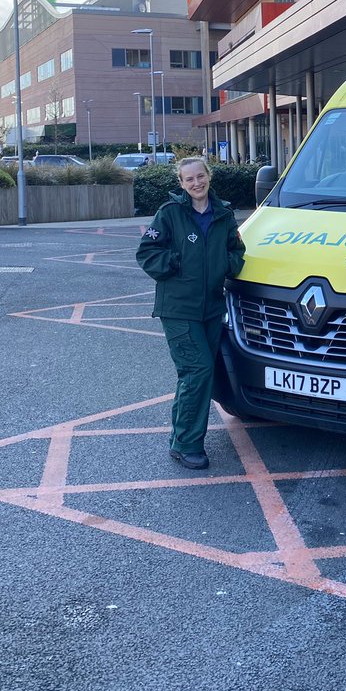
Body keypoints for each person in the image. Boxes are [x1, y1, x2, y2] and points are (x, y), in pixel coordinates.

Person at [136, 157, 245, 470]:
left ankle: (178, 439)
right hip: (178, 308)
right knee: (197, 371)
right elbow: (147, 251)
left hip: (212, 307)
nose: (196, 183)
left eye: (201, 176)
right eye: (189, 179)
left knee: (194, 375)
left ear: (209, 177)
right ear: (181, 184)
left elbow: (237, 251)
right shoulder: (170, 213)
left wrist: (227, 264)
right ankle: (187, 444)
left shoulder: (223, 214)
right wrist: (175, 263)